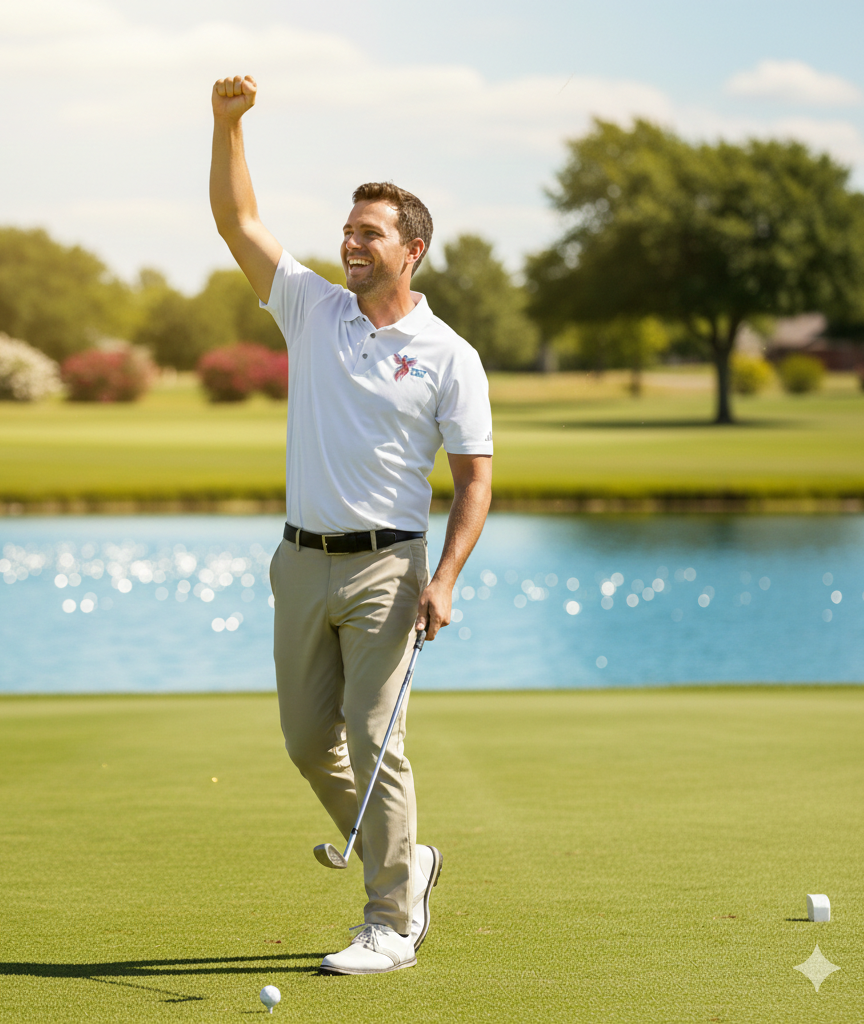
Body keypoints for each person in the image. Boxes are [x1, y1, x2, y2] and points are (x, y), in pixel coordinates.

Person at [209, 74, 493, 975]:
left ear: (411, 250)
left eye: (368, 233)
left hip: (387, 571)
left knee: (376, 737)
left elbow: (474, 480)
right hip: (298, 564)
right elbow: (237, 222)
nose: (349, 242)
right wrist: (227, 126)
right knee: (307, 742)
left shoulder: (449, 355)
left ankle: (391, 922)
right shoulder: (313, 309)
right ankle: (410, 866)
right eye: (347, 229)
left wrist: (443, 579)